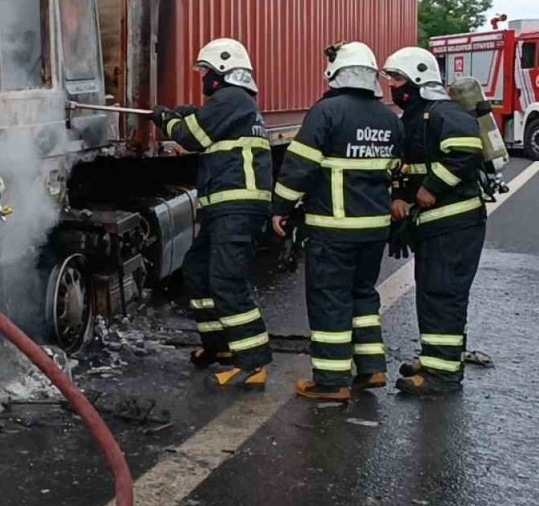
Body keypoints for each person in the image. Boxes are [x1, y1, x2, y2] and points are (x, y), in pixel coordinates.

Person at [271, 42, 401, 401]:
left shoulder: (326, 112)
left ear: (336, 73)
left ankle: (330, 382)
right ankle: (372, 369)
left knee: (330, 299)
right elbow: (394, 169)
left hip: (334, 228)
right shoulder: (389, 118)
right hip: (374, 229)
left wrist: (280, 206)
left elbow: (299, 165)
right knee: (363, 295)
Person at [152, 38, 274, 387]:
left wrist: (168, 120)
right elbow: (205, 126)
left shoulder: (232, 99)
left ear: (221, 73)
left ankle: (253, 362)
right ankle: (218, 346)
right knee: (198, 270)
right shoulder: (234, 104)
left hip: (235, 208)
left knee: (227, 280)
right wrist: (187, 113)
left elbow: (191, 137)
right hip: (224, 207)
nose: (202, 78)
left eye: (205, 72)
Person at [383, 47, 487, 396]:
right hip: (433, 225)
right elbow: (403, 165)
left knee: (443, 293)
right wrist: (399, 196)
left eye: (397, 79)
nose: (393, 86)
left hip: (455, 224)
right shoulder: (411, 118)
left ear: (417, 80)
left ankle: (442, 376)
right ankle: (436, 358)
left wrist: (432, 186)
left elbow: (467, 151)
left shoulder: (442, 113)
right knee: (430, 293)